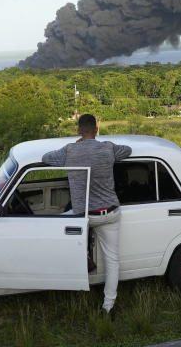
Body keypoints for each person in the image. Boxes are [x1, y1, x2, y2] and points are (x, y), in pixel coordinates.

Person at [41, 114, 131, 317]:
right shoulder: (108, 147)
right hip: (110, 212)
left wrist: (76, 145)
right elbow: (128, 151)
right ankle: (108, 306)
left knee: (60, 227)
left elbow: (46, 158)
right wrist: (107, 148)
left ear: (78, 130)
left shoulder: (70, 150)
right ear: (97, 130)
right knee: (113, 260)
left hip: (84, 216)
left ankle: (86, 256)